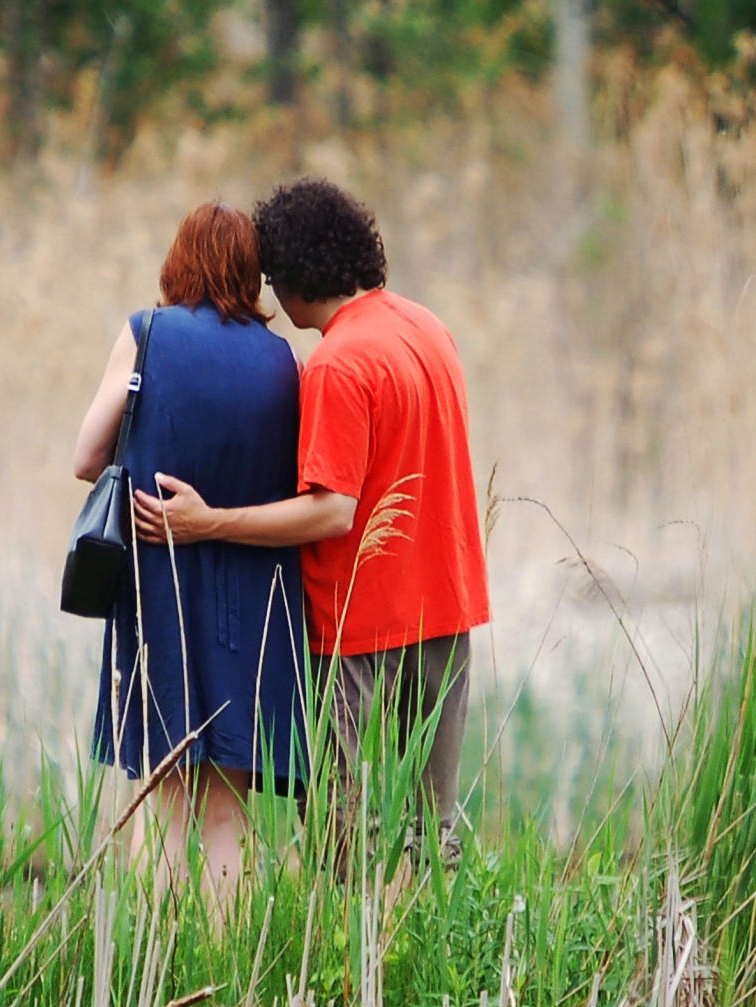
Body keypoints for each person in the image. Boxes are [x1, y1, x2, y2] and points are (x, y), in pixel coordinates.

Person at [133, 178, 491, 869]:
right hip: (447, 611)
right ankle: (431, 961)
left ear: (294, 278)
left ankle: (347, 968)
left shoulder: (336, 362)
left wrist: (209, 522)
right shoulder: (428, 328)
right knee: (433, 833)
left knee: (341, 836)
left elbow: (333, 509)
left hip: (361, 630)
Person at [72, 201, 309, 905]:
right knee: (227, 803)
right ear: (251, 272)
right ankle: (226, 973)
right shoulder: (286, 361)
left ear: (178, 260)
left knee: (161, 785)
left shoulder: (148, 335)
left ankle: (158, 967)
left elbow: (86, 457)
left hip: (160, 585)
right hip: (256, 601)